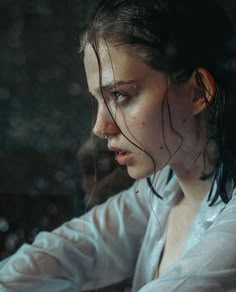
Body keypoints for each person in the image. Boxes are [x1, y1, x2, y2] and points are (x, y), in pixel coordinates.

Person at [1, 0, 236, 291]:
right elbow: (67, 251)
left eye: (120, 95)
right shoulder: (164, 189)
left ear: (198, 90)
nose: (100, 128)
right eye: (98, 100)